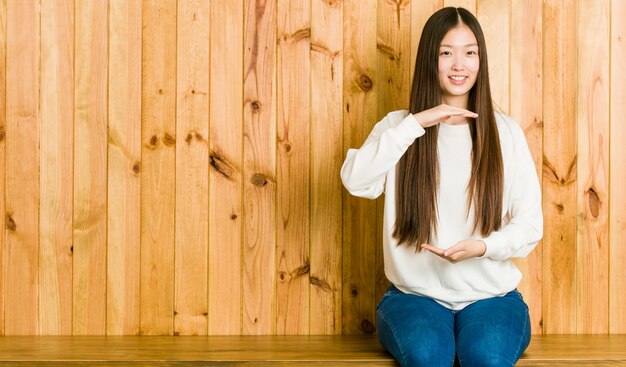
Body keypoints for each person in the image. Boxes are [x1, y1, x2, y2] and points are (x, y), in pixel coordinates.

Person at [340, 7, 543, 367]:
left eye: (470, 52)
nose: (458, 64)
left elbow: (529, 226)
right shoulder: (399, 127)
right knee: (428, 355)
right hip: (413, 297)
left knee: (487, 358)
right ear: (429, 61)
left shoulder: (505, 132)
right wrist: (418, 122)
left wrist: (482, 247)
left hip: (492, 297)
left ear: (481, 60)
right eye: (446, 53)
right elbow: (356, 181)